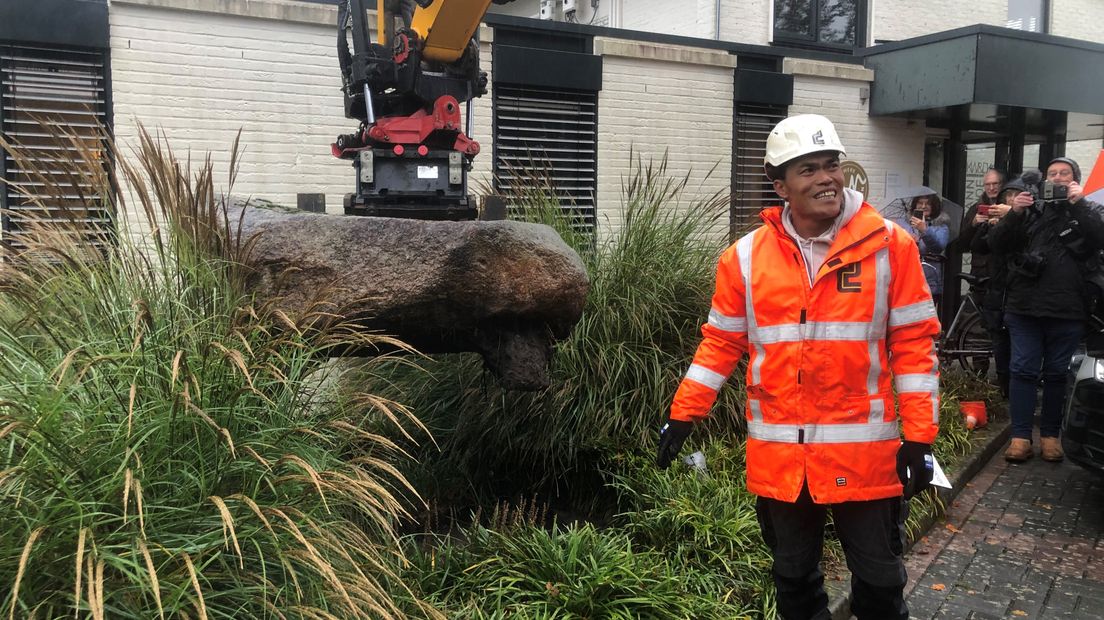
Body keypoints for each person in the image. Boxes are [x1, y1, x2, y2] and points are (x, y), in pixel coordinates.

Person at [655, 114, 940, 620]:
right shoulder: (743, 259)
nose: (826, 178)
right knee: (793, 579)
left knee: (879, 581)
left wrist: (920, 437)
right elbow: (720, 344)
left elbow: (914, 344)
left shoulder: (890, 246)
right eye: (807, 169)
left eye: (832, 164)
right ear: (779, 185)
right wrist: (684, 414)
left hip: (866, 456)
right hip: (783, 459)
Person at [987, 158, 1104, 462]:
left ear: (1075, 180)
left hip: (1068, 309)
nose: (1058, 178)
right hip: (1024, 307)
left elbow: (1100, 238)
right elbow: (996, 245)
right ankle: (1020, 437)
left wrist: (1079, 205)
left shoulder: (1087, 210)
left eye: (1065, 174)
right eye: (1052, 174)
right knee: (1022, 370)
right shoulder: (1030, 211)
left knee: (1055, 375)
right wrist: (1015, 213)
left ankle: (1051, 437)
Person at [966, 178, 1017, 397]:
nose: (1011, 199)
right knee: (997, 337)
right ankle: (1001, 382)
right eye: (1009, 196)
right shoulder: (991, 217)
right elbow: (975, 245)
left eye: (1016, 196)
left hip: (1015, 289)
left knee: (1014, 341)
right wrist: (983, 226)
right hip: (995, 286)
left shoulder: (1024, 221)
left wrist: (1010, 220)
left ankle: (1011, 384)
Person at [906, 193, 951, 315]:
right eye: (920, 203)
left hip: (930, 279)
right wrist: (908, 240)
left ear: (934, 206)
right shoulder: (907, 224)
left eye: (928, 203)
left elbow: (938, 247)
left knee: (926, 316)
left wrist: (924, 230)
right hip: (908, 277)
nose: (924, 206)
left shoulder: (941, 226)